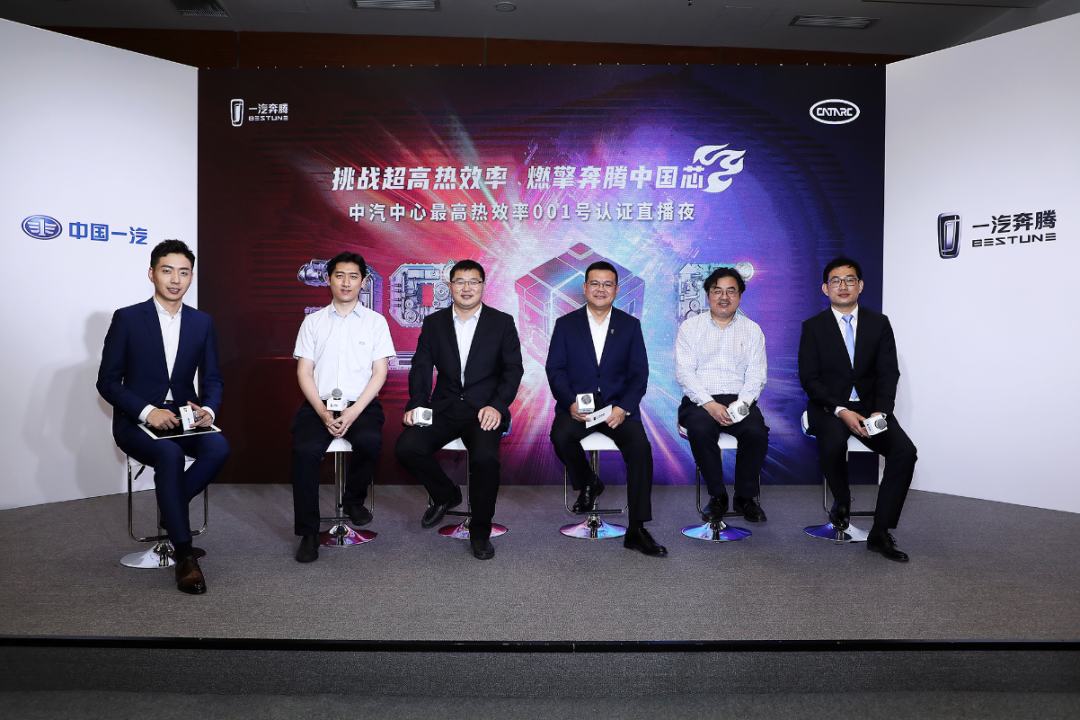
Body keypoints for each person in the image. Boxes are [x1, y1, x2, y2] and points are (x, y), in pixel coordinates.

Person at [97, 239, 230, 594]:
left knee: (219, 447)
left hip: (185, 416)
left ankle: (171, 507)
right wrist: (147, 411)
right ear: (152, 273)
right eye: (167, 270)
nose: (175, 279)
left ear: (191, 277)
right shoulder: (128, 318)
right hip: (135, 418)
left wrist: (208, 410)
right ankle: (185, 555)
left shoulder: (202, 322)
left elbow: (213, 378)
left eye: (184, 272)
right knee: (169, 455)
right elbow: (107, 381)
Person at [395, 259, 523, 560]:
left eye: (473, 281)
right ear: (450, 286)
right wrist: (417, 404)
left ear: (483, 285)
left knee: (485, 459)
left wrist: (497, 406)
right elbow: (421, 367)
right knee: (407, 447)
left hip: (484, 410)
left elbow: (513, 370)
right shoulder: (434, 323)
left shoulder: (501, 322)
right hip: (444, 407)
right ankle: (446, 494)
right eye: (460, 281)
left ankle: (480, 533)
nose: (467, 288)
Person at [798, 256, 918, 562]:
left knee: (905, 452)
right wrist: (840, 409)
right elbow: (809, 379)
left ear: (860, 286)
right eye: (836, 281)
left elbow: (888, 372)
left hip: (870, 408)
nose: (843, 286)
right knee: (833, 441)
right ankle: (841, 501)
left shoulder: (879, 323)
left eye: (850, 280)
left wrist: (881, 411)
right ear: (825, 288)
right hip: (828, 406)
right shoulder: (813, 327)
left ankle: (880, 532)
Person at [545, 260, 667, 557]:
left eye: (607, 284)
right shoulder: (566, 324)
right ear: (585, 287)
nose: (601, 289)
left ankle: (637, 529)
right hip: (580, 408)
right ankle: (589, 482)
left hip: (617, 409)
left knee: (640, 449)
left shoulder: (629, 325)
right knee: (560, 436)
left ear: (616, 289)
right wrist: (569, 402)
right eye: (595, 284)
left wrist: (623, 408)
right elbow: (555, 369)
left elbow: (639, 374)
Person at [291, 251, 394, 563]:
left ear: (363, 282)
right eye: (339, 276)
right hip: (319, 404)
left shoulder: (376, 322)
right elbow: (304, 372)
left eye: (353, 276)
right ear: (328, 279)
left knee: (370, 441)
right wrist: (324, 413)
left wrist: (352, 412)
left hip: (361, 404)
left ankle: (353, 500)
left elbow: (380, 373)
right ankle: (309, 533)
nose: (346, 283)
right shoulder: (313, 322)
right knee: (304, 452)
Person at [675, 267, 769, 523]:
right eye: (717, 291)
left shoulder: (752, 330)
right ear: (708, 295)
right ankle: (717, 497)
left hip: (739, 399)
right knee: (700, 429)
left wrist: (742, 404)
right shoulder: (690, 328)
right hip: (700, 401)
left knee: (756, 432)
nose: (724, 297)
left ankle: (745, 497)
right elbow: (685, 373)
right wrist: (709, 404)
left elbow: (757, 375)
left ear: (740, 296)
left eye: (731, 291)